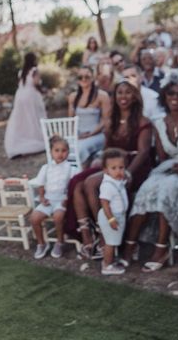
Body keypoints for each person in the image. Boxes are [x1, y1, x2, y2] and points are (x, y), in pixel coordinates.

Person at [123, 77, 178, 272]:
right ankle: (131, 243)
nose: (175, 98)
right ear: (164, 96)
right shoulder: (159, 123)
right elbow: (162, 158)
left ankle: (162, 248)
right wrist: (172, 167)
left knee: (168, 189)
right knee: (146, 189)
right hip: (170, 168)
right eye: (171, 93)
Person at [68, 81, 153, 257]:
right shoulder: (111, 121)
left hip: (133, 167)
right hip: (111, 165)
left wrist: (128, 172)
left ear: (135, 96)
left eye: (128, 93)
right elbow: (107, 149)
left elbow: (144, 152)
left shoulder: (142, 121)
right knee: (77, 183)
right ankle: (87, 237)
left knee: (91, 183)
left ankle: (103, 232)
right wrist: (102, 162)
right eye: (119, 93)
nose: (123, 96)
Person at [30, 136, 73, 260]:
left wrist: (67, 200)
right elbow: (41, 184)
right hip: (48, 199)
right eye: (57, 150)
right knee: (34, 218)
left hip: (62, 200)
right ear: (51, 152)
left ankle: (60, 242)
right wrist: (42, 197)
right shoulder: (46, 168)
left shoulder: (71, 168)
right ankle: (42, 243)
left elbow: (73, 186)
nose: (60, 154)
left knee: (58, 216)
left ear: (68, 152)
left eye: (63, 150)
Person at [4, 52, 47, 159]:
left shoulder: (21, 72)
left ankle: (19, 143)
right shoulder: (34, 70)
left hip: (20, 95)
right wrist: (43, 90)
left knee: (22, 119)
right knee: (35, 118)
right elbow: (36, 83)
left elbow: (21, 84)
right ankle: (37, 141)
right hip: (31, 95)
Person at [67, 66, 111, 165]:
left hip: (97, 134)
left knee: (81, 147)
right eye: (80, 77)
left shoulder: (102, 96)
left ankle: (80, 172)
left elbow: (105, 120)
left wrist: (91, 134)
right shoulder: (73, 97)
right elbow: (71, 120)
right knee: (62, 146)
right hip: (79, 135)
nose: (83, 79)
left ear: (93, 78)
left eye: (87, 77)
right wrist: (76, 135)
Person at [97, 149, 130, 275]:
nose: (118, 171)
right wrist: (111, 219)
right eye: (114, 168)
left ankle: (109, 260)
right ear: (106, 170)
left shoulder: (116, 181)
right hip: (110, 217)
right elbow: (104, 203)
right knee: (111, 242)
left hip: (117, 216)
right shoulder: (107, 185)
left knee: (112, 240)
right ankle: (107, 266)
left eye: (121, 168)